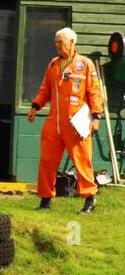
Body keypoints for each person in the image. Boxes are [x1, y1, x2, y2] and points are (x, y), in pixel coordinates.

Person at [27, 27, 105, 213]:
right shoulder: (53, 64)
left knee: (82, 161)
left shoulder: (85, 64)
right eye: (56, 42)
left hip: (77, 123)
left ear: (72, 43)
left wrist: (96, 117)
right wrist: (35, 106)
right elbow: (45, 89)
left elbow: (94, 92)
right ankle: (45, 200)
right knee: (47, 161)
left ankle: (89, 200)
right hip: (54, 122)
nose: (57, 46)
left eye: (61, 42)